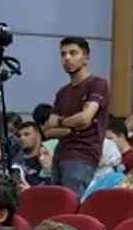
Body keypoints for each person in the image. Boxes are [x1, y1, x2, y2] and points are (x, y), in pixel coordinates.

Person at [43, 36, 110, 195]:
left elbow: (85, 118)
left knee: (71, 205)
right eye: (63, 54)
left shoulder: (98, 83)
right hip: (60, 154)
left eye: (73, 53)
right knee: (58, 204)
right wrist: (70, 126)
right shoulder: (62, 92)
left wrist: (60, 122)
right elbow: (47, 130)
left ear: (86, 58)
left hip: (83, 154)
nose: (67, 58)